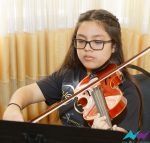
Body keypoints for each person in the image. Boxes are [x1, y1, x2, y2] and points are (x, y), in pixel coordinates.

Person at [3, 9, 142, 133]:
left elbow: (125, 142)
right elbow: (29, 92)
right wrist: (13, 106)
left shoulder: (126, 93)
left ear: (114, 46)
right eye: (81, 41)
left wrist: (105, 137)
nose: (87, 48)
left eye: (97, 42)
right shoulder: (68, 74)